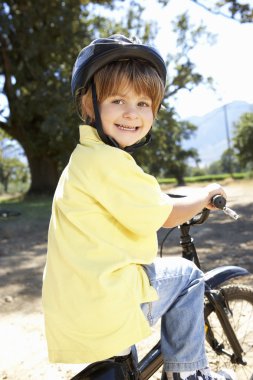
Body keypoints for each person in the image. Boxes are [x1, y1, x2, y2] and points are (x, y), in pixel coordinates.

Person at [42, 34, 236, 380]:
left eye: (144, 104)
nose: (132, 113)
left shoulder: (86, 159)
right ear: (89, 105)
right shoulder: (109, 162)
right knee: (190, 276)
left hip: (80, 300)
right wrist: (206, 194)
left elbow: (140, 202)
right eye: (118, 100)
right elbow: (165, 214)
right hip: (106, 302)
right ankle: (190, 375)